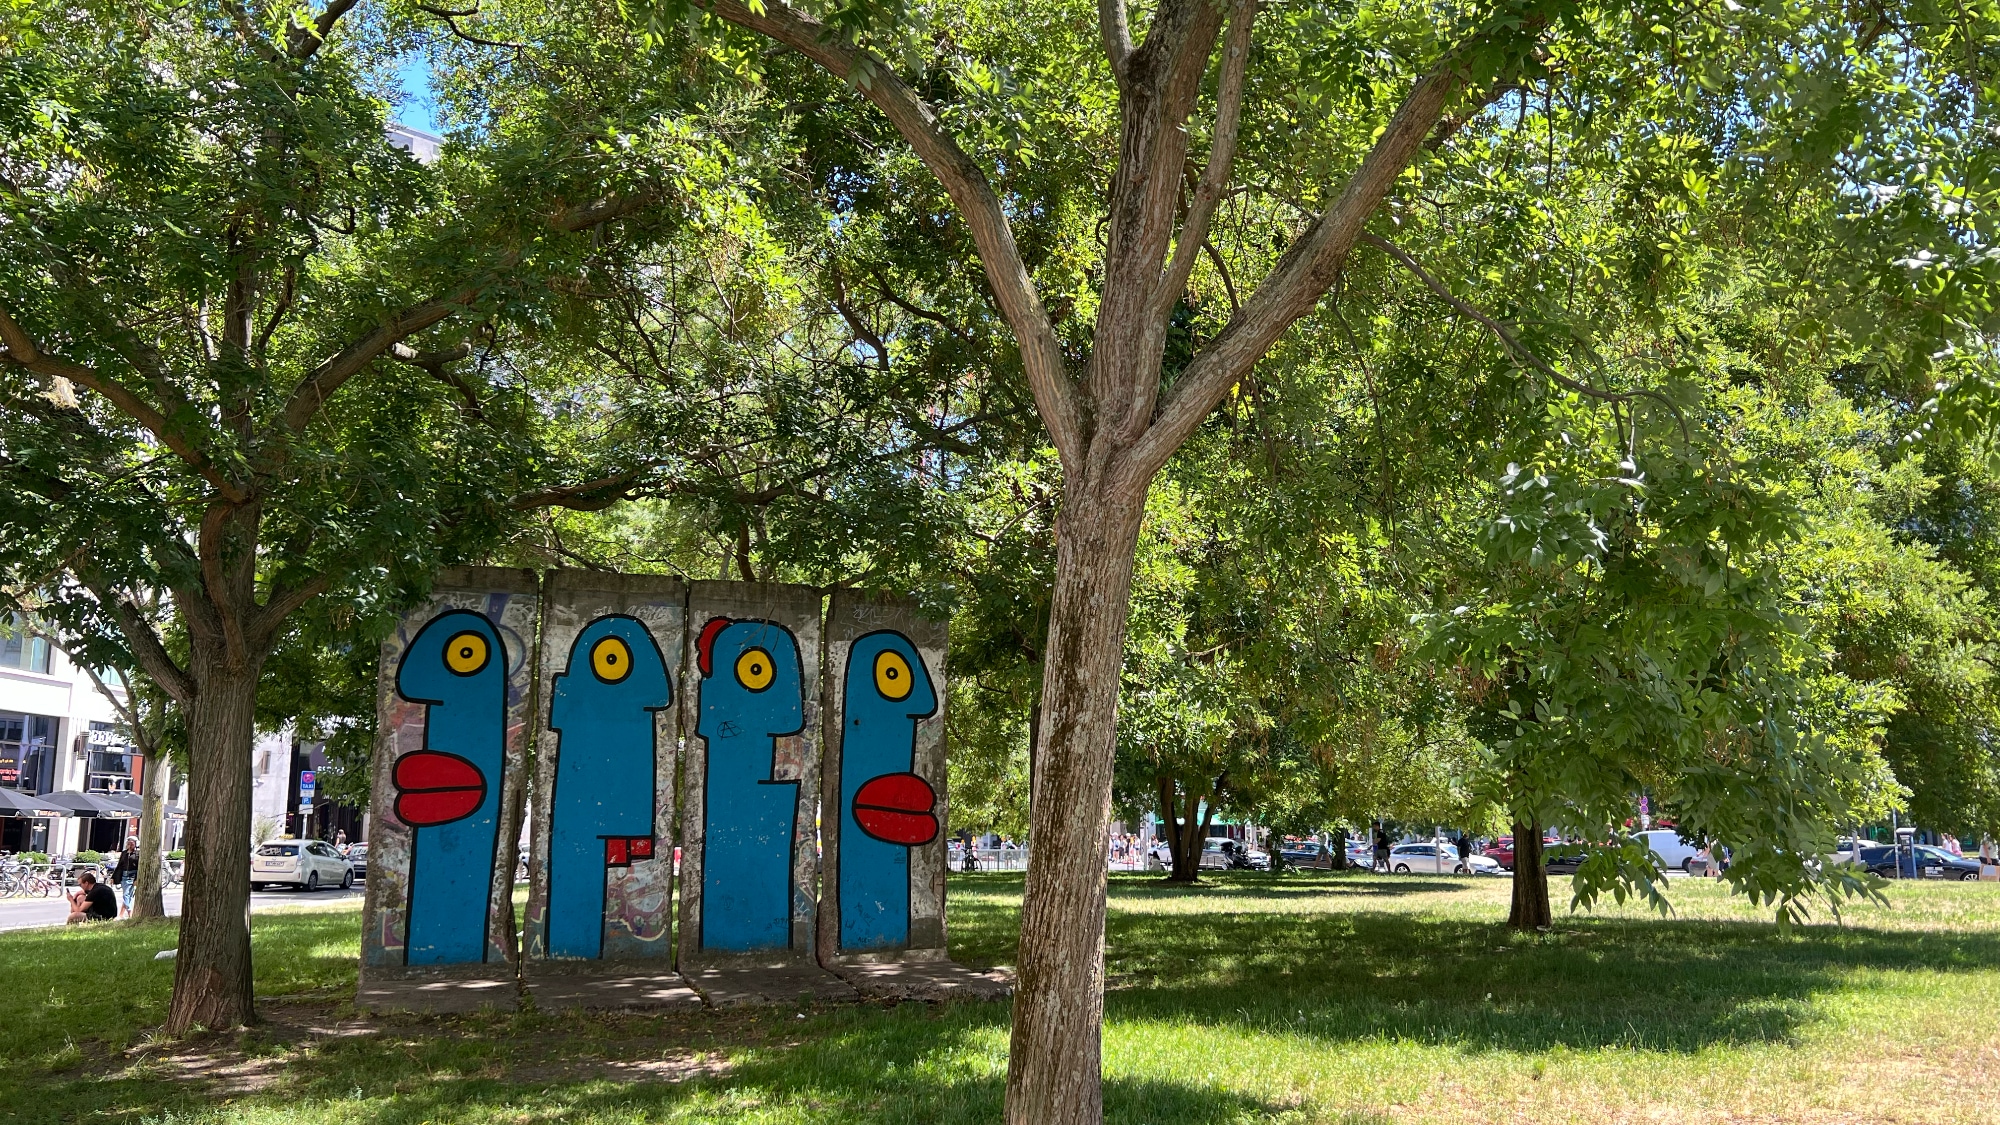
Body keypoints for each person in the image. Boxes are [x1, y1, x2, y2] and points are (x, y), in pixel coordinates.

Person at [112, 835, 139, 917]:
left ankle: (127, 913)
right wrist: (113, 877)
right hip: (124, 876)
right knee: (126, 894)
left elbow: (139, 867)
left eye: (132, 844)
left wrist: (136, 879)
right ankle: (128, 912)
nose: (130, 846)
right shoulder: (124, 853)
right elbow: (119, 865)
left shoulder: (138, 854)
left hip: (133, 875)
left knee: (128, 895)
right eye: (129, 844)